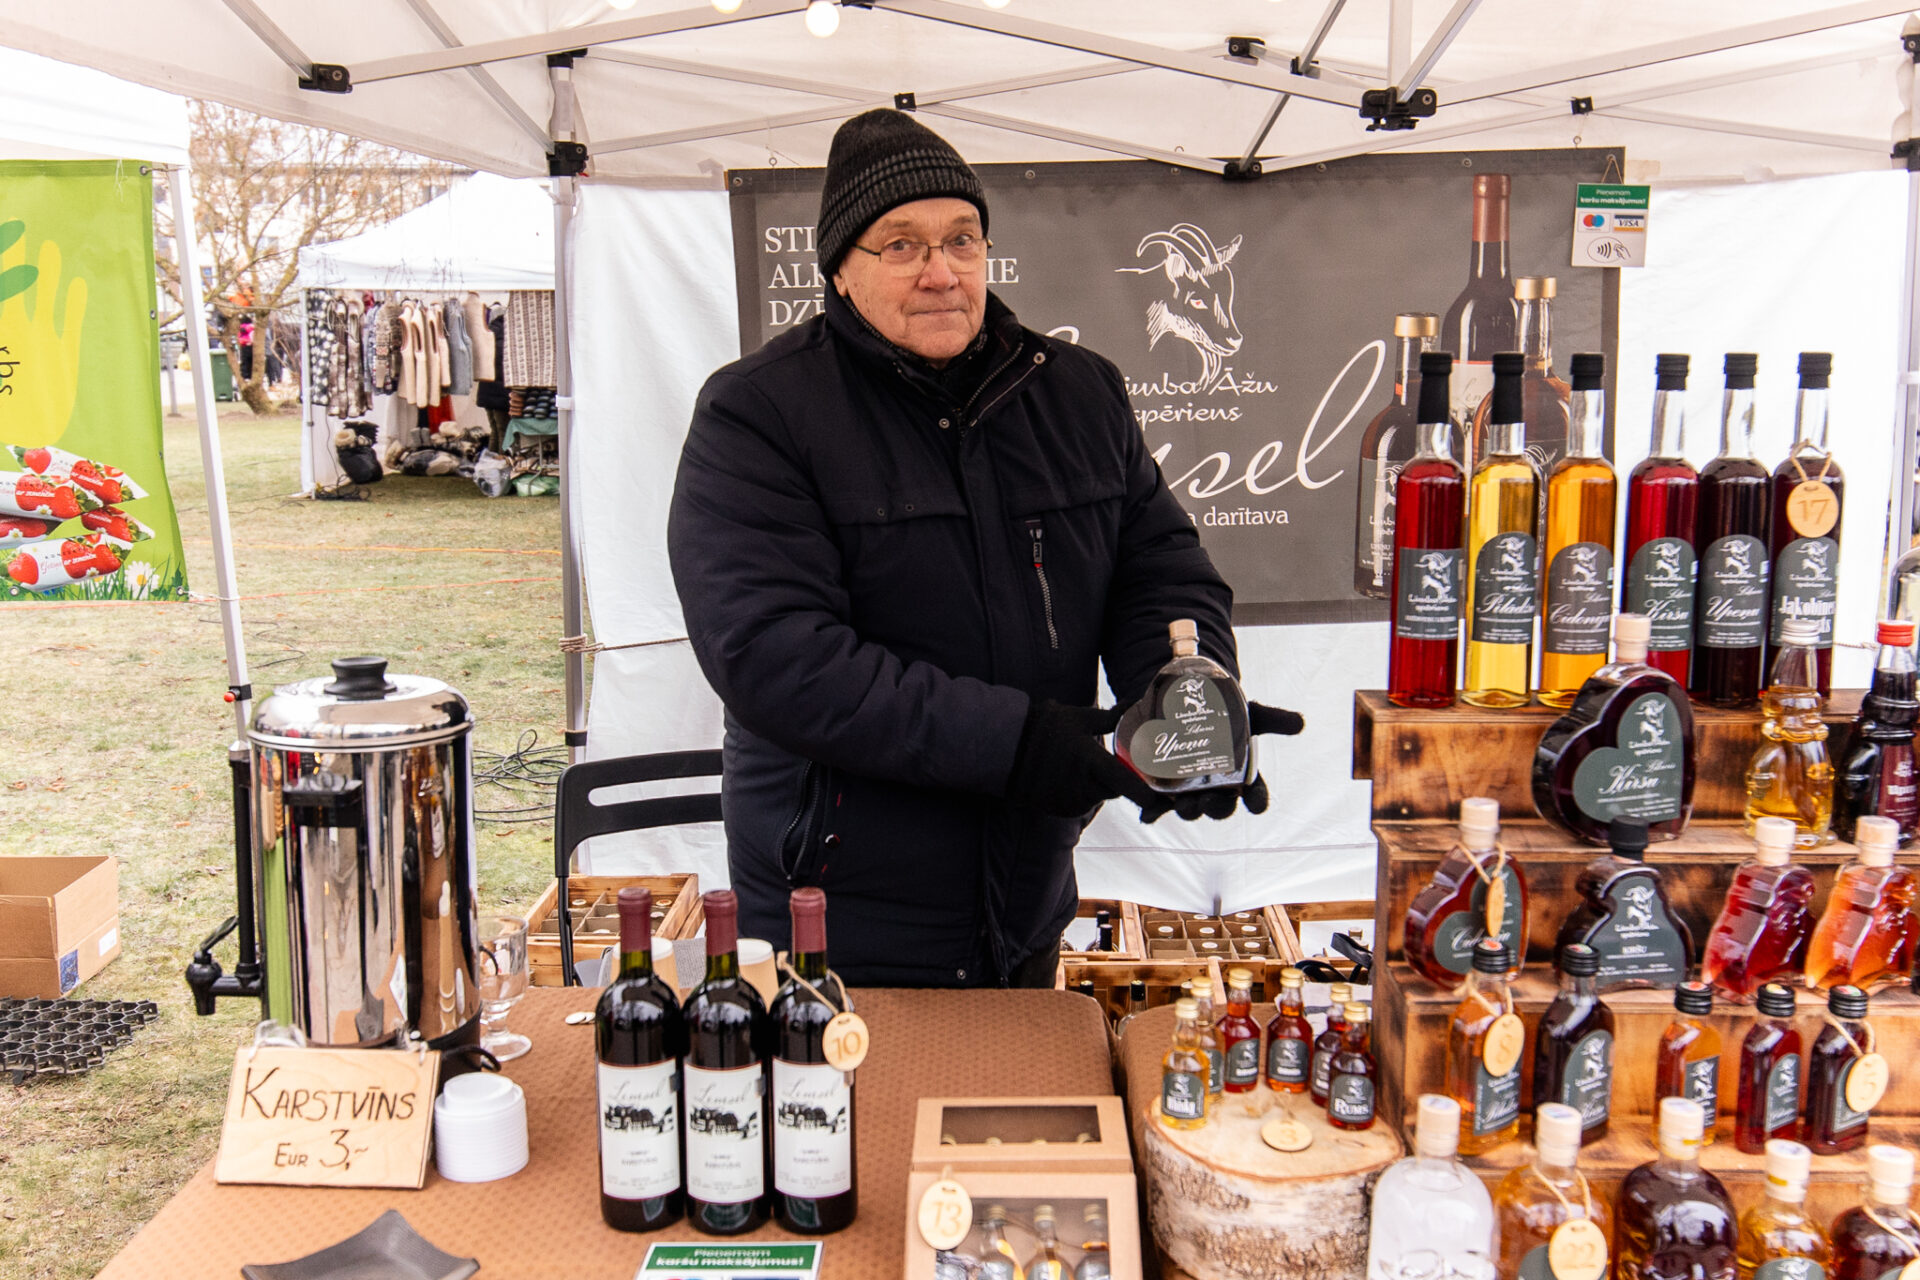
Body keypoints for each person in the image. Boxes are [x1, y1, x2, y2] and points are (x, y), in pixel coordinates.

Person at [667, 110, 1303, 988]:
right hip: (839, 911)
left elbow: (1159, 571)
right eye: (902, 245)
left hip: (1027, 888)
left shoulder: (1080, 393)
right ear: (841, 270)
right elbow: (776, 658)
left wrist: (1186, 703)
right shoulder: (759, 414)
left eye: (961, 239)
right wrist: (1019, 744)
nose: (941, 272)